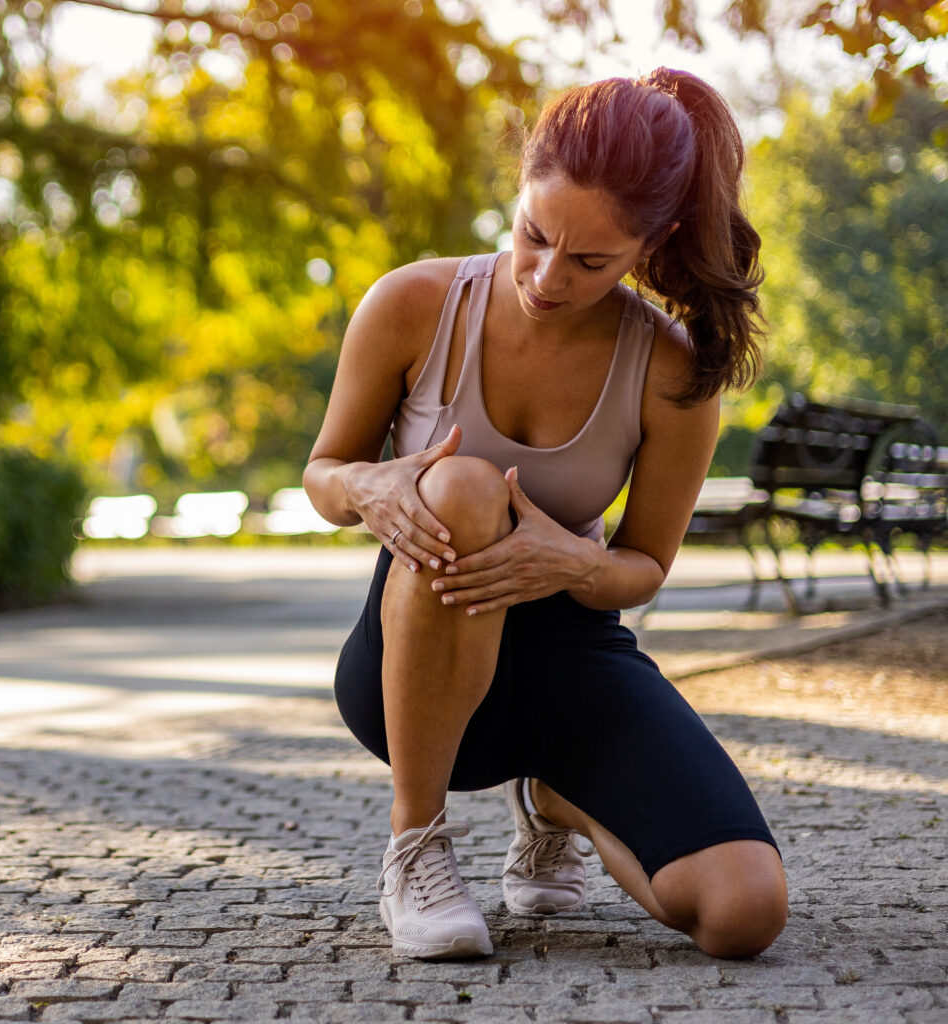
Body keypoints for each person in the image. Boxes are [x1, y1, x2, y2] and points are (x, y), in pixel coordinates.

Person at [302, 68, 787, 961]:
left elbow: (642, 568)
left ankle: (558, 796)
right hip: (412, 676)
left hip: (571, 661)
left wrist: (570, 563)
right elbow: (324, 471)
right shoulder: (412, 305)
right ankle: (417, 847)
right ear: (520, 186)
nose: (547, 276)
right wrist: (368, 488)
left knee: (743, 911)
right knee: (462, 487)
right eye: (534, 235)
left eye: (591, 262)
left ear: (653, 242)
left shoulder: (670, 369)